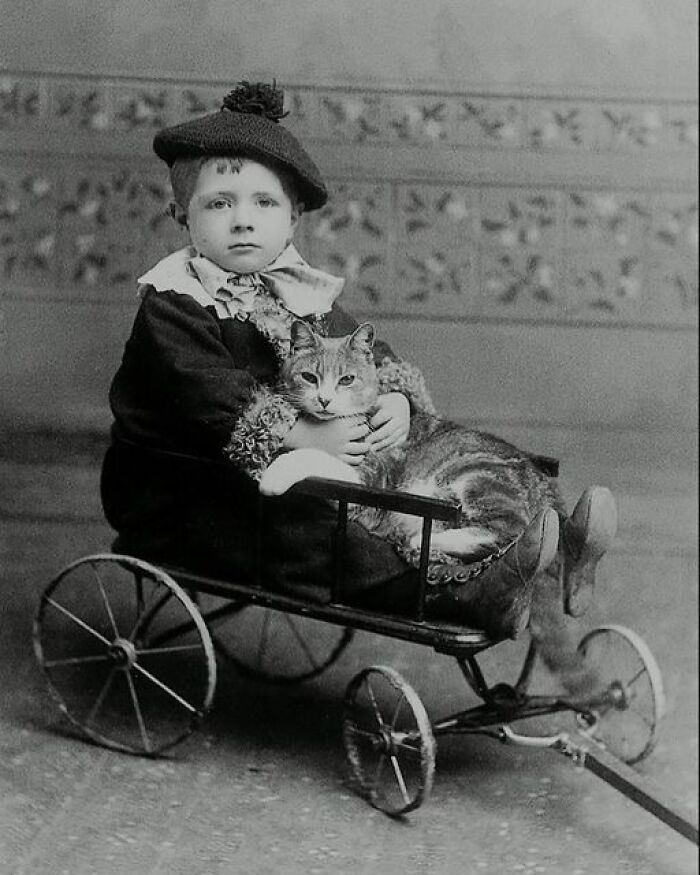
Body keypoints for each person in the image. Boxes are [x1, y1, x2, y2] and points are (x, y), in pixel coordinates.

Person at [101, 80, 615, 639]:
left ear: (293, 217)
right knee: (333, 518)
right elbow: (204, 392)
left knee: (426, 455)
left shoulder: (298, 291)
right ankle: (471, 590)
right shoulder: (175, 305)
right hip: (192, 489)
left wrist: (397, 399)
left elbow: (365, 353)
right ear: (182, 215)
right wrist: (303, 435)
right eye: (219, 204)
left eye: (264, 202)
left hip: (275, 470)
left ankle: (558, 540)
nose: (243, 220)